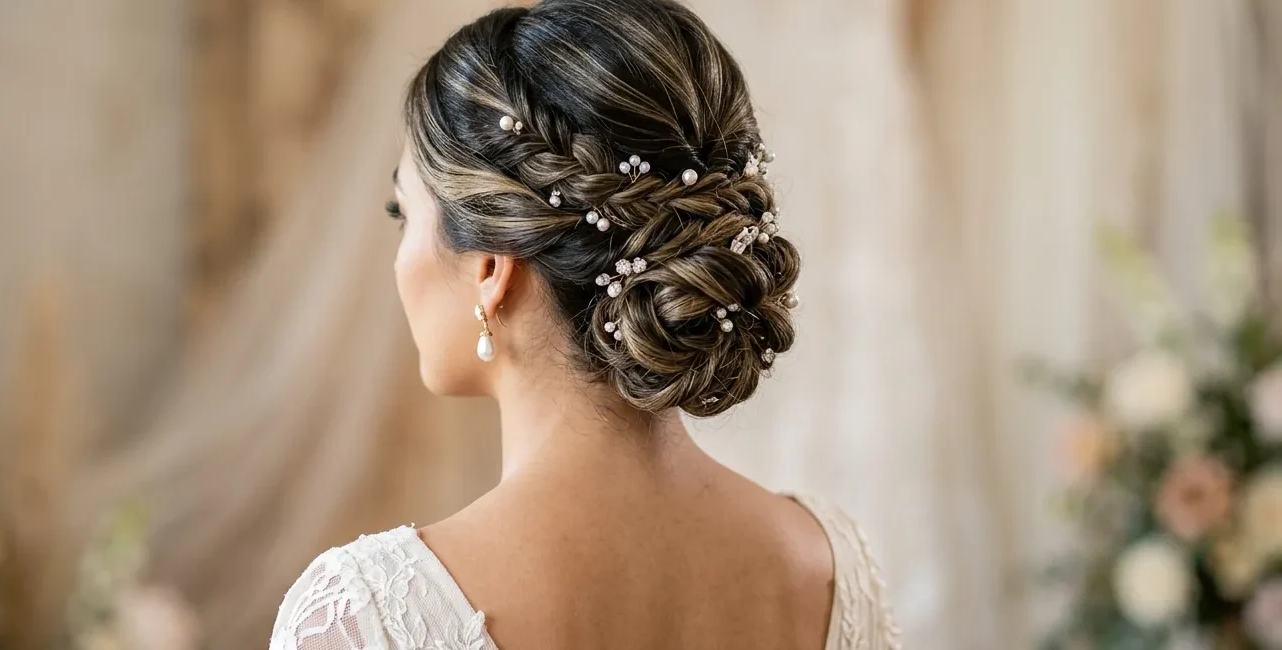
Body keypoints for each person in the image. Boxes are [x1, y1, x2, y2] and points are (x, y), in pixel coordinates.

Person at [269, 0, 900, 648]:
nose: (399, 259)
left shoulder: (363, 618)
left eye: (402, 214)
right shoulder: (829, 569)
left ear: (491, 267)